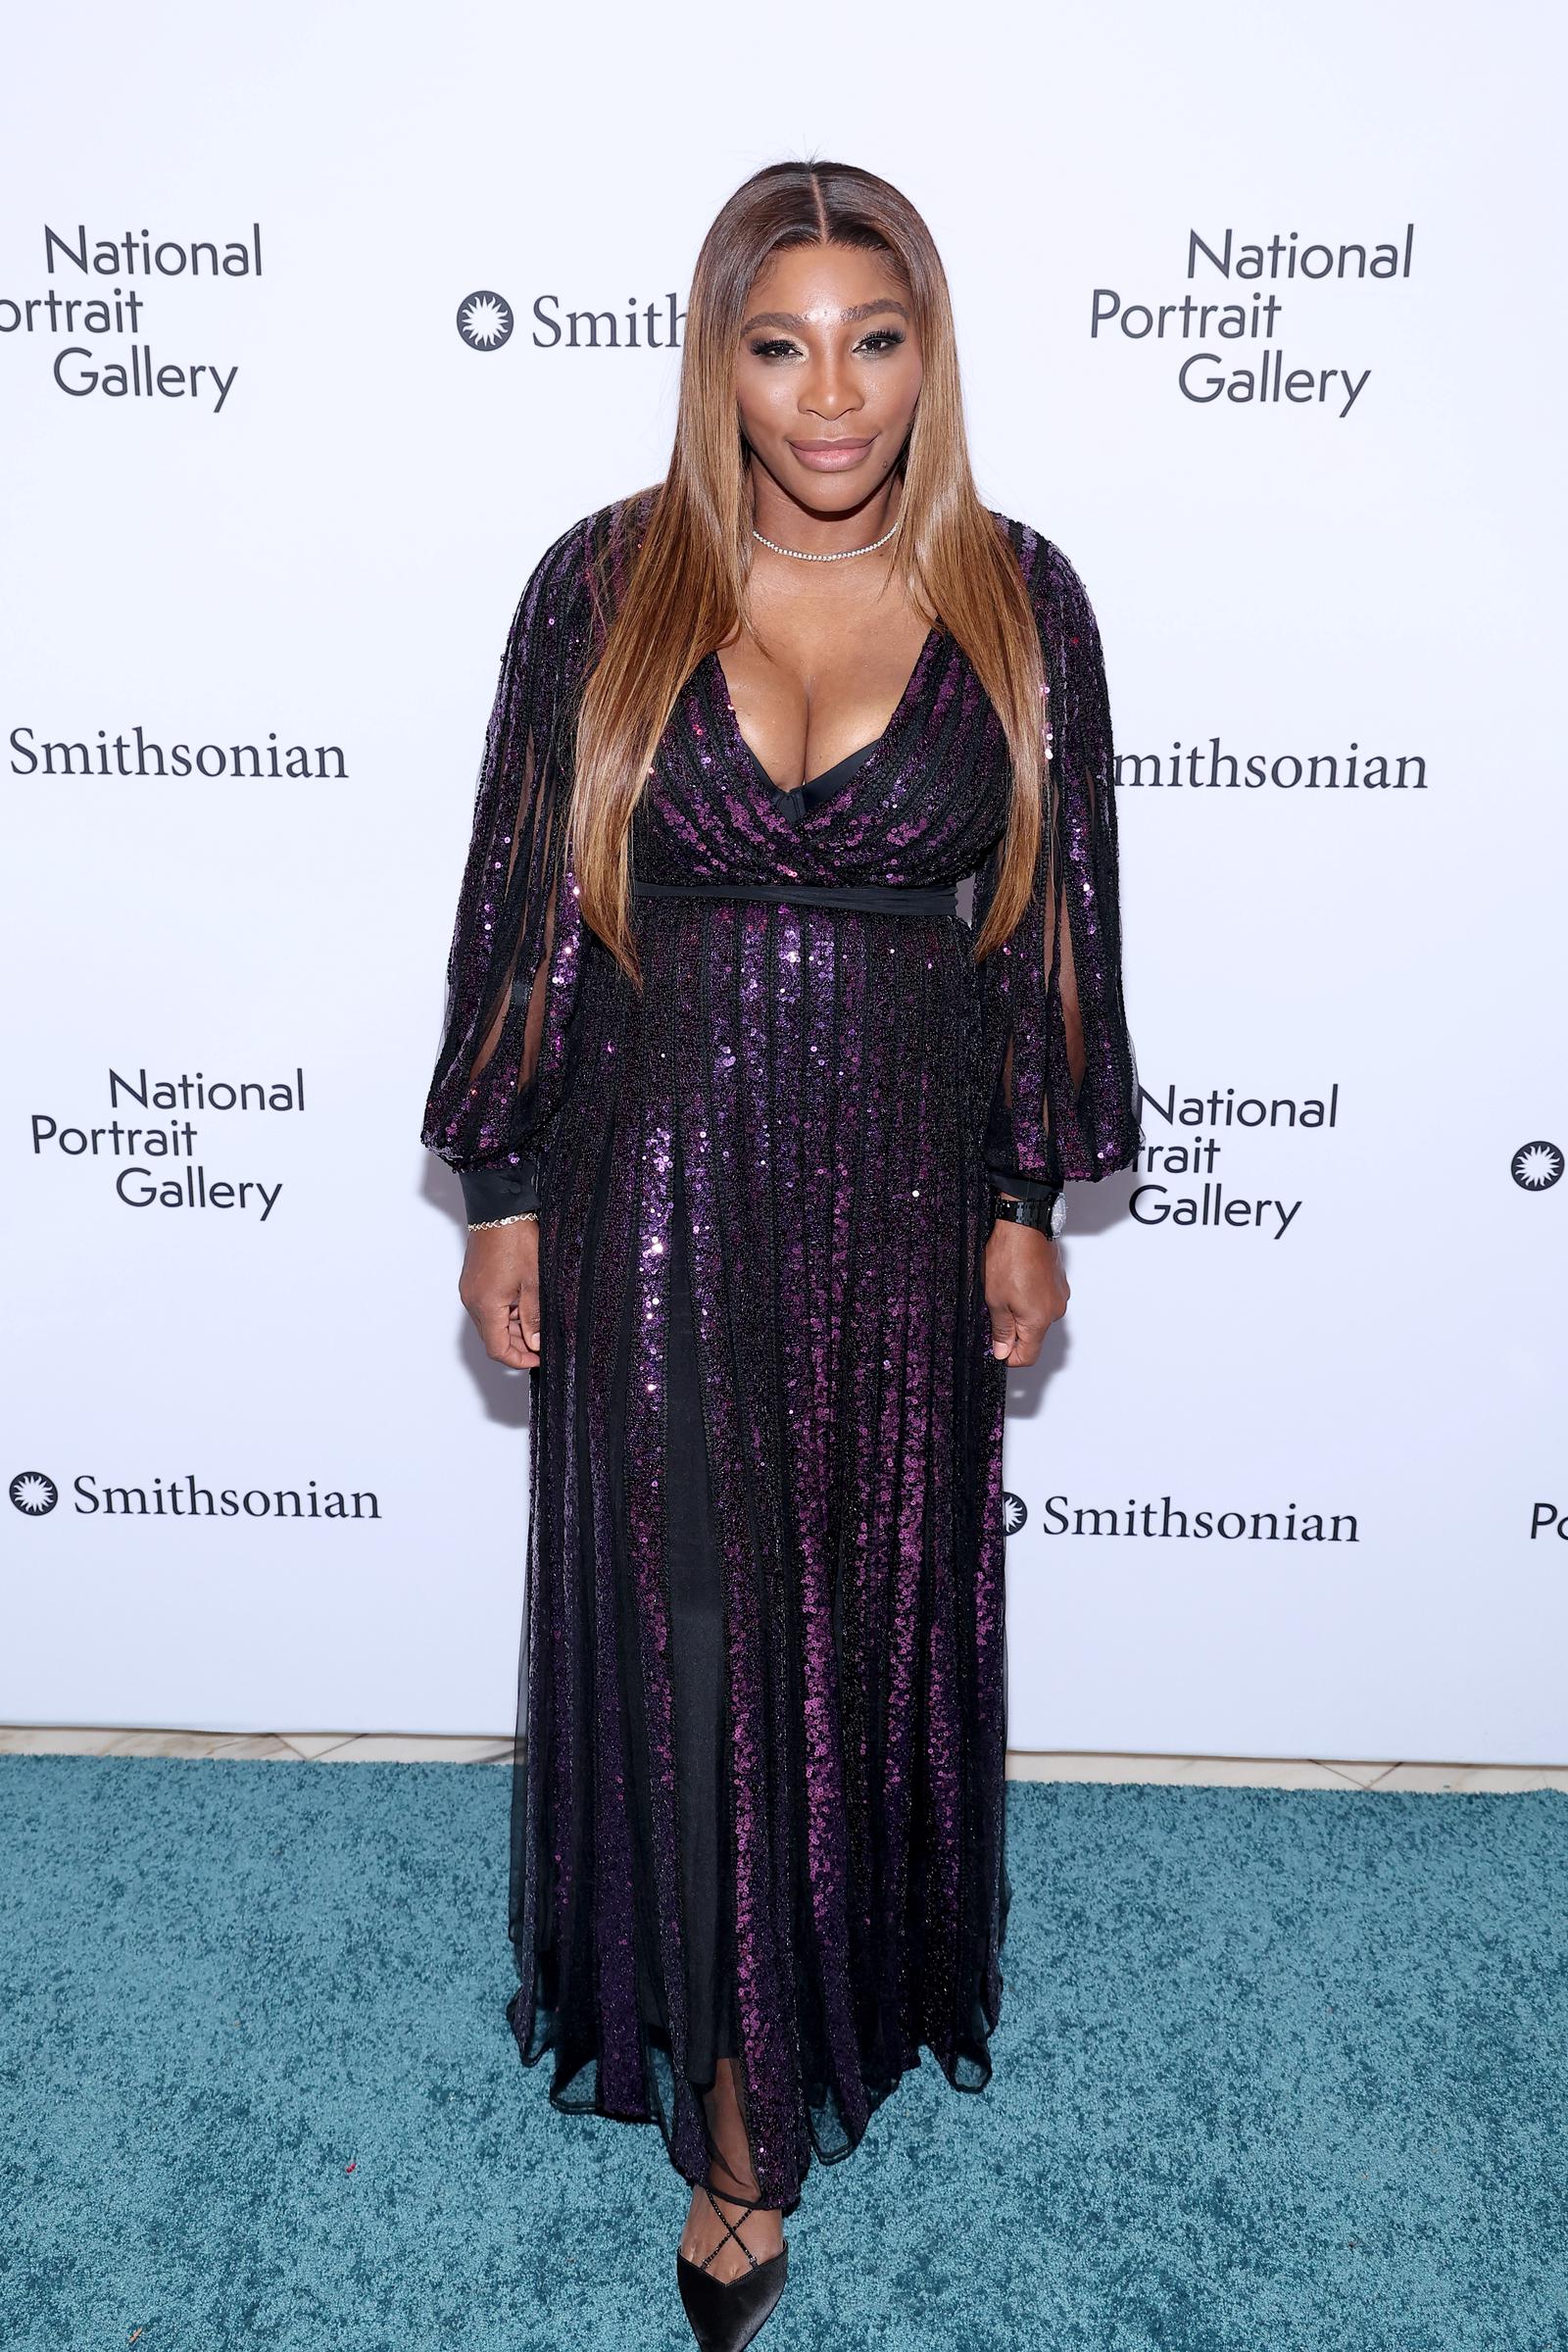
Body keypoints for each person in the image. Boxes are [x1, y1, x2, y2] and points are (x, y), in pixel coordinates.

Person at [422, 157, 1141, 2352]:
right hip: (653, 1169)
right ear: (716, 360)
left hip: (902, 1186)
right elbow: (522, 897)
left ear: (926, 350)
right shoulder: (605, 589)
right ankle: (733, 2115)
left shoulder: (1021, 601)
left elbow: (1053, 927)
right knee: (690, 1624)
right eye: (777, 343)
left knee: (859, 1605)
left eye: (873, 337)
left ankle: (843, 1979)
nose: (827, 395)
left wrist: (1025, 1199)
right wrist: (507, 1184)